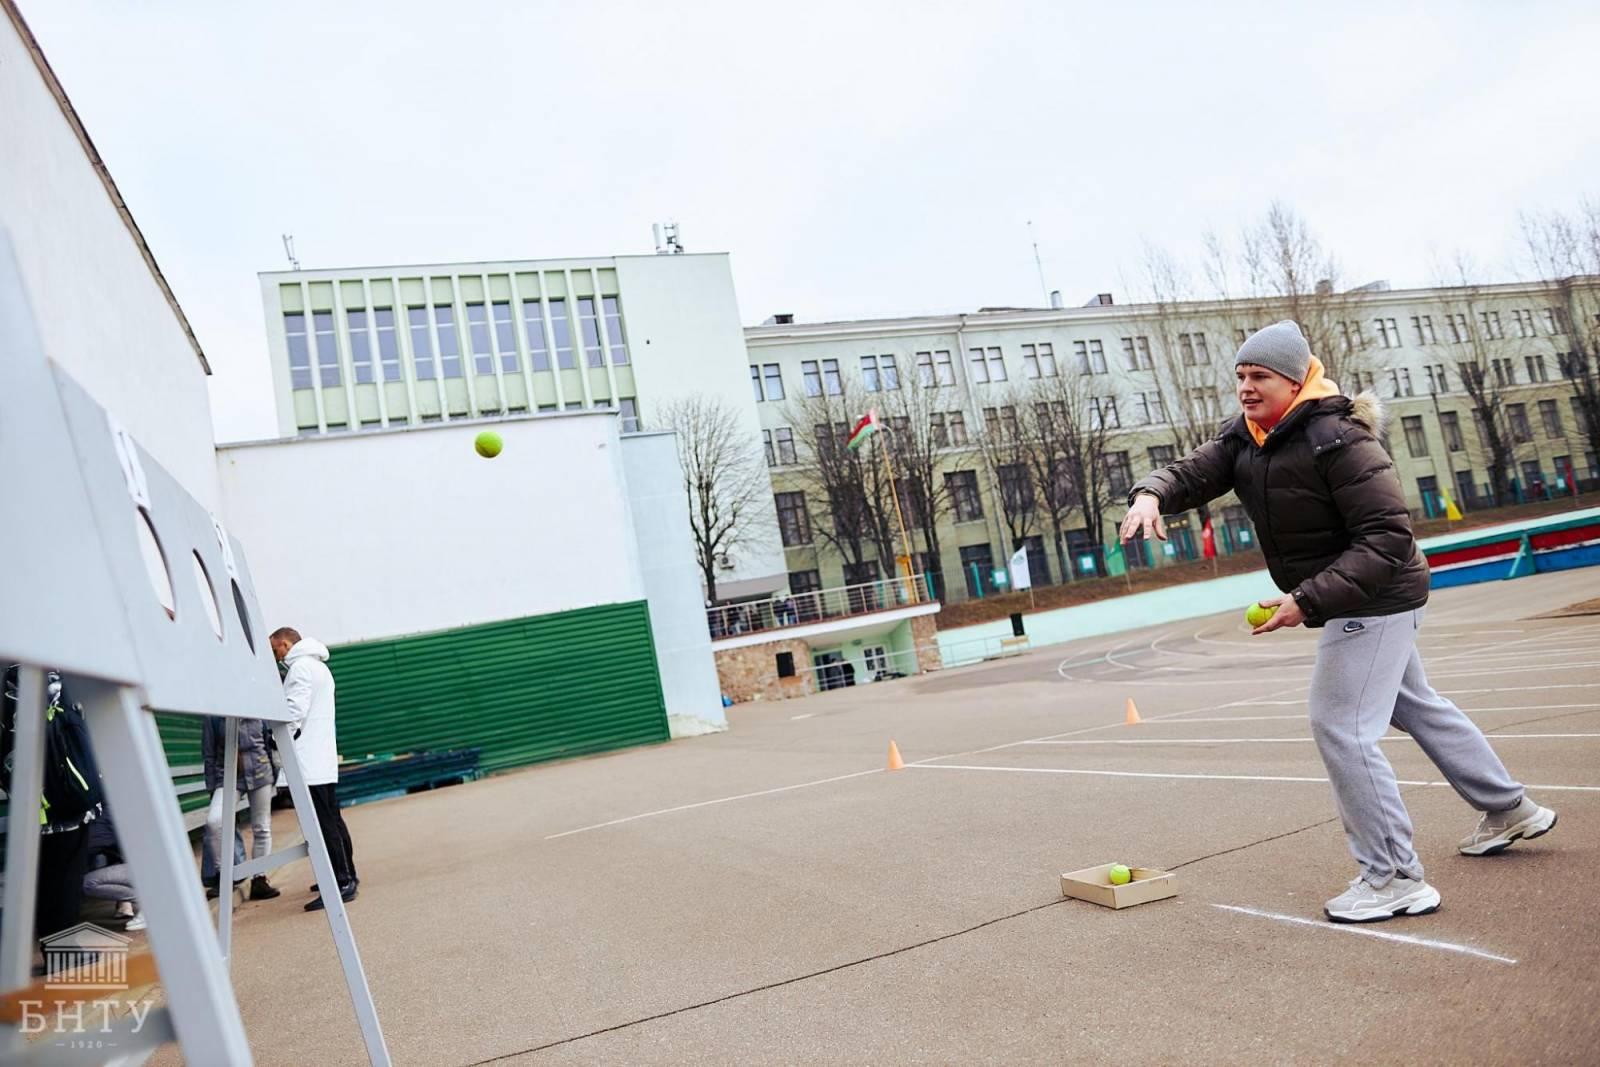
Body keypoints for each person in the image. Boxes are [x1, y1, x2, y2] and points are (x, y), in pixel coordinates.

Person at [1121, 320, 1557, 924]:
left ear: (1296, 379)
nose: (1246, 387)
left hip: (1375, 597)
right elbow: (1190, 471)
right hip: (1350, 597)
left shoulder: (1338, 437)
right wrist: (1150, 495)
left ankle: (1395, 877)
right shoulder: (1248, 437)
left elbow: (1387, 537)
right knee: (1416, 705)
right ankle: (1509, 808)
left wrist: (1308, 599)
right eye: (1241, 376)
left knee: (1341, 727)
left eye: (1260, 377)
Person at [1, 667, 104, 949]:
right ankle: (64, 953)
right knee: (65, 883)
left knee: (47, 881)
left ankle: (53, 950)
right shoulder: (44, 667)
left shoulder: (10, 677)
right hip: (64, 803)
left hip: (34, 805)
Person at [269, 627, 358, 911]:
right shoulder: (319, 667)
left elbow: (295, 712)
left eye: (275, 650)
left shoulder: (300, 669)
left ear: (285, 644)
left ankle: (341, 882)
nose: (275, 655)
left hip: (308, 761)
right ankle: (345, 875)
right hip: (321, 758)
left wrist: (277, 741)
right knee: (332, 818)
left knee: (323, 824)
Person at [201, 715, 281, 901]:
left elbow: (269, 744)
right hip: (227, 777)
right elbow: (209, 753)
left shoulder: (257, 711)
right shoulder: (213, 717)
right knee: (214, 822)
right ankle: (224, 875)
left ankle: (259, 879)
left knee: (262, 828)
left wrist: (274, 776)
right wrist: (212, 787)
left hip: (261, 773)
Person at [83, 808, 146, 931]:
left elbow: (94, 841)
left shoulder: (105, 816)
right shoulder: (118, 808)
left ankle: (150, 902)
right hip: (147, 866)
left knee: (87, 883)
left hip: (146, 869)